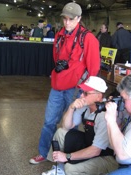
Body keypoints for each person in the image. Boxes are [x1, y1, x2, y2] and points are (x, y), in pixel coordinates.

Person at [29, 2, 100, 164]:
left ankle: (67, 158)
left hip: (75, 89)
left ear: (79, 18)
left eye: (71, 19)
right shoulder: (60, 34)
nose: (67, 22)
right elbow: (57, 58)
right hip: (57, 85)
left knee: (71, 125)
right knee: (49, 121)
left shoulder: (88, 38)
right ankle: (43, 152)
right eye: (65, 19)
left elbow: (94, 68)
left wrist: (85, 90)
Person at [41, 76, 118, 175]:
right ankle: (60, 169)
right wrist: (71, 108)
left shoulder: (104, 115)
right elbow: (66, 126)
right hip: (90, 145)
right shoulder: (86, 107)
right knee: (61, 132)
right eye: (82, 92)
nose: (81, 96)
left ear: (99, 96)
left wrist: (67, 156)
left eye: (86, 93)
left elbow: (96, 151)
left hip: (106, 157)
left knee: (71, 170)